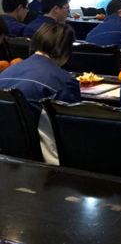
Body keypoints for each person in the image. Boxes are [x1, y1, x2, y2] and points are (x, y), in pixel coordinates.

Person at [0, 22, 80, 164]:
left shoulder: (6, 72)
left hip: (8, 157)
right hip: (46, 164)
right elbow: (70, 131)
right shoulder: (65, 81)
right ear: (67, 51)